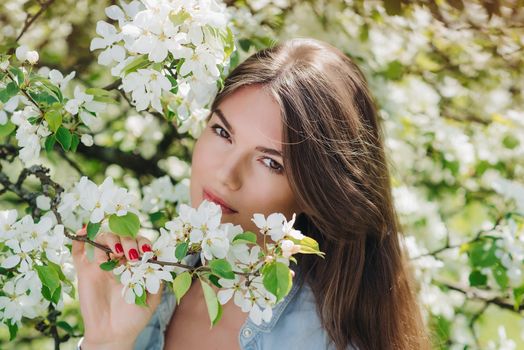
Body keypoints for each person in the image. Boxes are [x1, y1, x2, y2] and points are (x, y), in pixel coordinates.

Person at [73, 38, 430, 350]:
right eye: (222, 132)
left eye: (271, 163)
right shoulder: (151, 286)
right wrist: (107, 342)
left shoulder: (322, 340)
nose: (226, 175)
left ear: (317, 192)